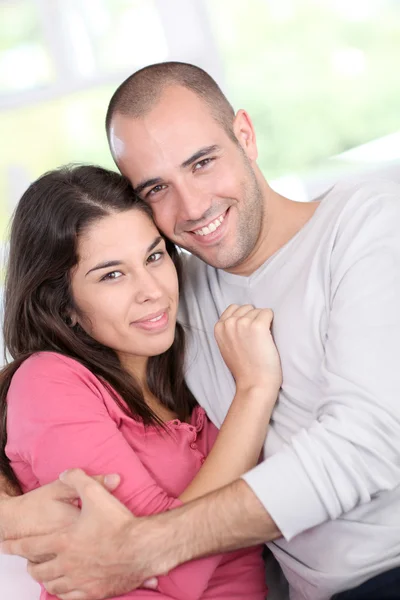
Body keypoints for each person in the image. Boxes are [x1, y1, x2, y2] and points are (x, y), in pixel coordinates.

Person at [1, 62, 400, 600]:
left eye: (203, 162)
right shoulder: (172, 289)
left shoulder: (367, 226)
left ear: (245, 135)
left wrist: (144, 548)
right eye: (158, 187)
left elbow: (367, 446)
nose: (192, 207)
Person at [0, 164, 283, 599]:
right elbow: (169, 570)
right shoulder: (48, 383)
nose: (152, 289)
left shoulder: (194, 357)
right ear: (63, 306)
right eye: (112, 274)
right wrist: (255, 391)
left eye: (154, 256)